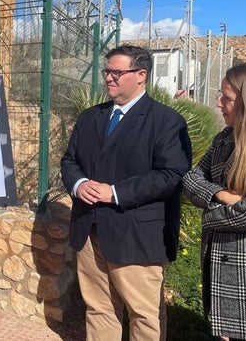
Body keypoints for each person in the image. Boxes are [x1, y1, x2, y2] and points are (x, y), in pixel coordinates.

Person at [61, 44, 192, 340]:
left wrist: (115, 192)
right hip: (89, 231)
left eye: (117, 72)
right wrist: (80, 184)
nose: (109, 78)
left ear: (141, 75)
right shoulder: (90, 117)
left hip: (136, 237)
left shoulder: (166, 121)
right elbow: (69, 161)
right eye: (107, 71)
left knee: (144, 316)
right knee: (98, 310)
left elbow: (170, 175)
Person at [183, 61, 246, 341]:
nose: (219, 104)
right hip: (222, 271)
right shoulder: (224, 139)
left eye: (226, 98)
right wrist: (222, 195)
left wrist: (208, 213)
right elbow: (190, 180)